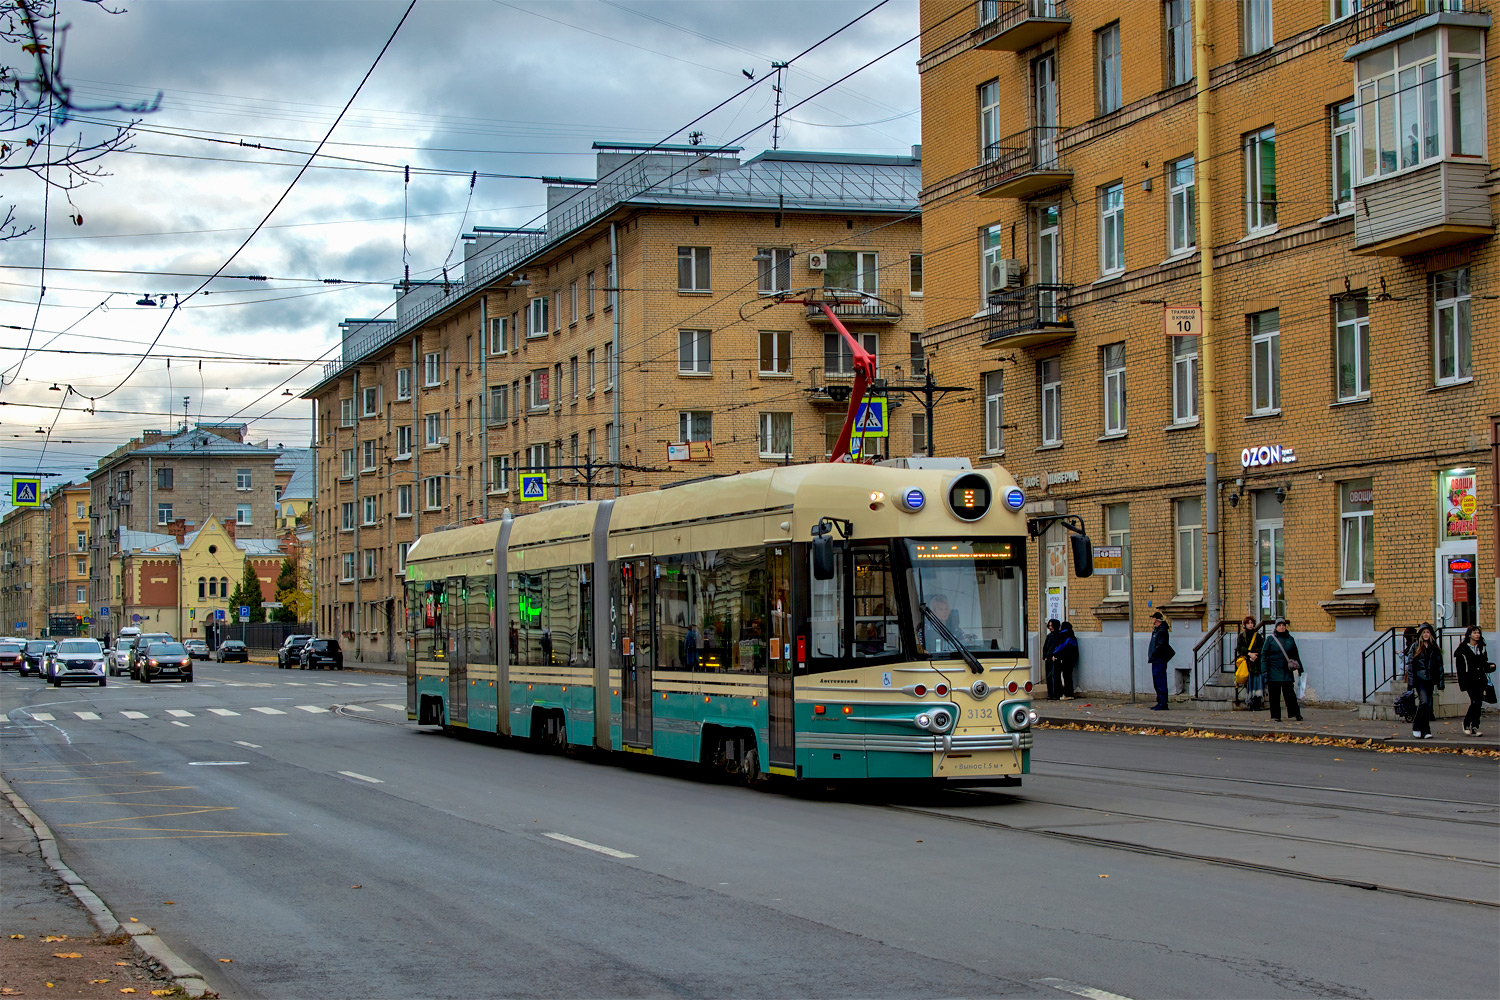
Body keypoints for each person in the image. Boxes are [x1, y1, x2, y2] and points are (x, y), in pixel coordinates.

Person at [1262, 617, 1304, 722]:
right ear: (1276, 627)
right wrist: (1264, 670)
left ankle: (1295, 713)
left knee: (1290, 694)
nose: (1281, 627)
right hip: (1273, 671)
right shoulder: (1270, 639)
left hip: (1286, 671)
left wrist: (1300, 668)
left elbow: (1295, 654)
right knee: (1274, 696)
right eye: (1279, 625)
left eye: (1283, 625)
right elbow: (1264, 655)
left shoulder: (1290, 639)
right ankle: (1275, 716)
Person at [1407, 622, 1443, 739]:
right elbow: (1410, 665)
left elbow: (1439, 666)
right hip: (1419, 679)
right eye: (1424, 632)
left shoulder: (1434, 648)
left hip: (1430, 679)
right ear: (1420, 634)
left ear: (1431, 634)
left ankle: (1425, 729)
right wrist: (1411, 682)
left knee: (1427, 705)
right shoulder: (1415, 646)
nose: (1426, 634)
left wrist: (1440, 681)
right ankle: (1417, 726)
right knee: (1424, 702)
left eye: (1428, 632)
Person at [1454, 626, 1489, 737]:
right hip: (1469, 679)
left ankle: (1475, 726)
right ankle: (1466, 723)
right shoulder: (1463, 649)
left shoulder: (1481, 648)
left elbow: (1484, 663)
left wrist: (1489, 667)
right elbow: (1460, 668)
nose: (1477, 635)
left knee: (1478, 702)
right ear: (1469, 635)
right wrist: (1462, 682)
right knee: (1475, 701)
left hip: (1480, 679)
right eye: (1474, 633)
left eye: (1478, 633)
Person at [1235, 615, 1264, 711]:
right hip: (1248, 663)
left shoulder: (1258, 636)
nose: (1250, 625)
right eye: (1248, 623)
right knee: (1250, 682)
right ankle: (1251, 702)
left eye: (1252, 623)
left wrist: (1256, 655)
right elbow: (1240, 648)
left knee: (1258, 682)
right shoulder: (1242, 636)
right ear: (1245, 625)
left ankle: (1257, 702)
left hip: (1257, 662)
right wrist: (1249, 654)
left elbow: (1262, 647)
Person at [1147, 611, 1173, 710]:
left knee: (1161, 682)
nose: (1152, 620)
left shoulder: (1162, 631)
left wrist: (1154, 653)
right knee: (1156, 682)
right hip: (1155, 660)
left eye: (1153, 618)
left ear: (1157, 619)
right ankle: (1159, 702)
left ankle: (1163, 703)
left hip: (1159, 660)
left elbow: (1161, 645)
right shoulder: (1156, 630)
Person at [1056, 621, 1079, 699]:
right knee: (1069, 675)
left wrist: (1055, 655)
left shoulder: (1063, 635)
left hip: (1066, 659)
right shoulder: (1072, 636)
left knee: (1066, 676)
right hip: (1073, 659)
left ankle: (1067, 693)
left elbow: (1060, 648)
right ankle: (1070, 693)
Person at [1041, 619, 1063, 700]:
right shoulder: (1049, 636)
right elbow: (1045, 647)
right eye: (1049, 626)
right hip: (1049, 658)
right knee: (1049, 677)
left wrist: (1056, 655)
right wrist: (1045, 656)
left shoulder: (1059, 636)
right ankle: (1050, 694)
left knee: (1055, 676)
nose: (1050, 628)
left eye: (1052, 626)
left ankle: (1056, 694)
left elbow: (1060, 647)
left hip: (1055, 658)